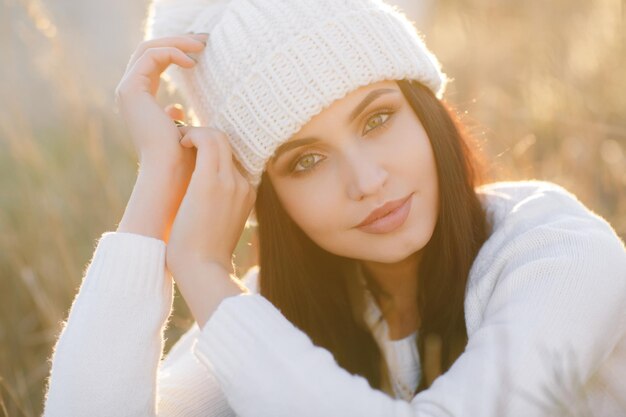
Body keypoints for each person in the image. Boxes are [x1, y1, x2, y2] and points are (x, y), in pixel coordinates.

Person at [42, 0, 626, 416]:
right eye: (306, 162)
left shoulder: (560, 251)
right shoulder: (273, 307)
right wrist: (157, 191)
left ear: (428, 109)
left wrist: (204, 274)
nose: (367, 181)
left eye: (377, 119)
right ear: (264, 198)